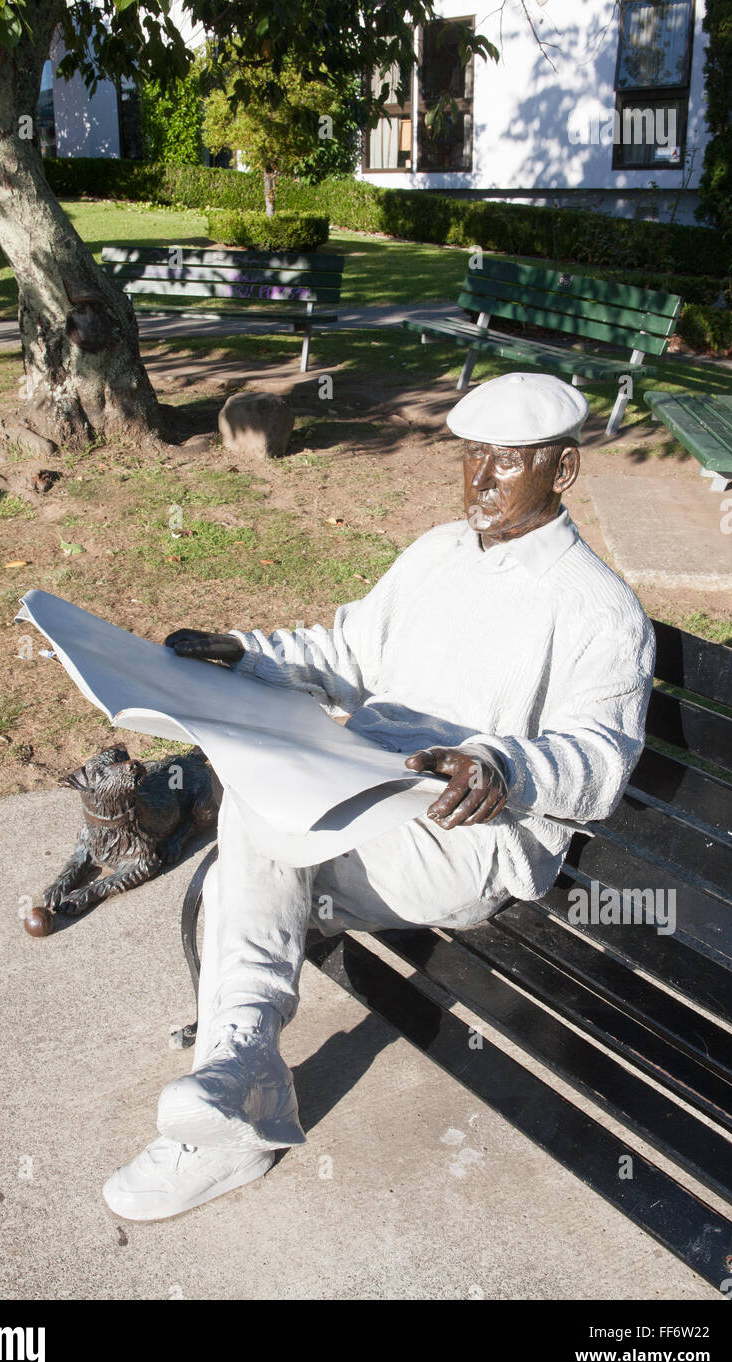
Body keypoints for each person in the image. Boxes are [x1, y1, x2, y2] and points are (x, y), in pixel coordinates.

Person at [103, 372, 655, 1221]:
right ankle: (235, 1078)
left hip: (464, 838)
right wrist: (243, 650)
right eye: (471, 457)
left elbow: (601, 756)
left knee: (254, 844)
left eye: (505, 464)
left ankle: (239, 1080)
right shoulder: (436, 552)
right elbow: (349, 651)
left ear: (563, 469)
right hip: (363, 792)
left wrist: (506, 768)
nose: (479, 482)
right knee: (259, 817)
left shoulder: (600, 610)